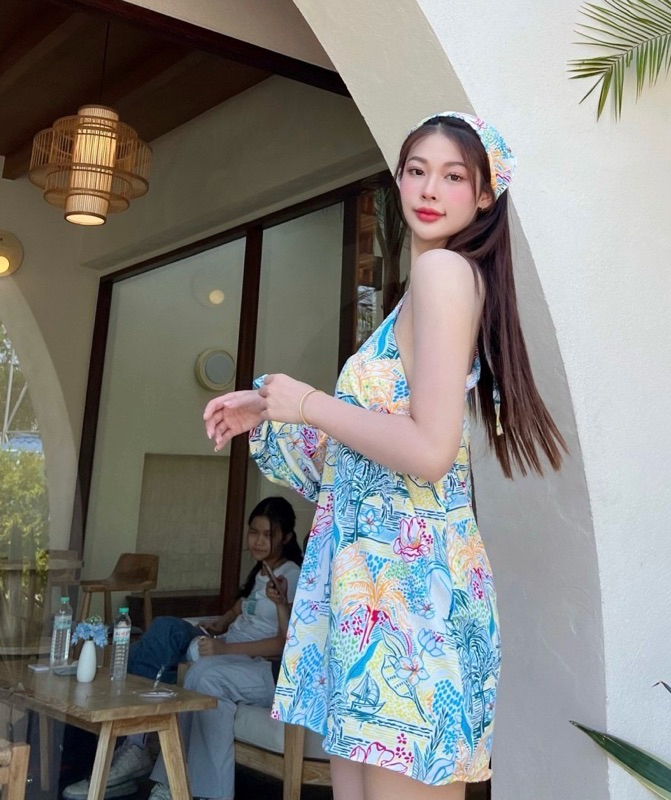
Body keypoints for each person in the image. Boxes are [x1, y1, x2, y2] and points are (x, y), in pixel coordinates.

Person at [203, 112, 565, 800]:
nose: (429, 188)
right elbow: (365, 468)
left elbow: (429, 451)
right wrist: (274, 410)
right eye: (416, 170)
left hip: (408, 601)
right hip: (372, 598)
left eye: (453, 176)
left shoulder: (444, 274)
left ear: (483, 195)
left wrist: (309, 402)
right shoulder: (419, 290)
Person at [62, 496, 302, 800]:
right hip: (226, 644)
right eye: (253, 532)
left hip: (244, 658)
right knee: (156, 640)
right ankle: (127, 745)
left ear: (286, 537)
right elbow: (246, 605)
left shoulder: (291, 576)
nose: (257, 540)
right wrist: (223, 621)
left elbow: (286, 642)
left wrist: (224, 649)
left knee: (171, 655)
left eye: (267, 534)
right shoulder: (262, 571)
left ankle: (129, 747)